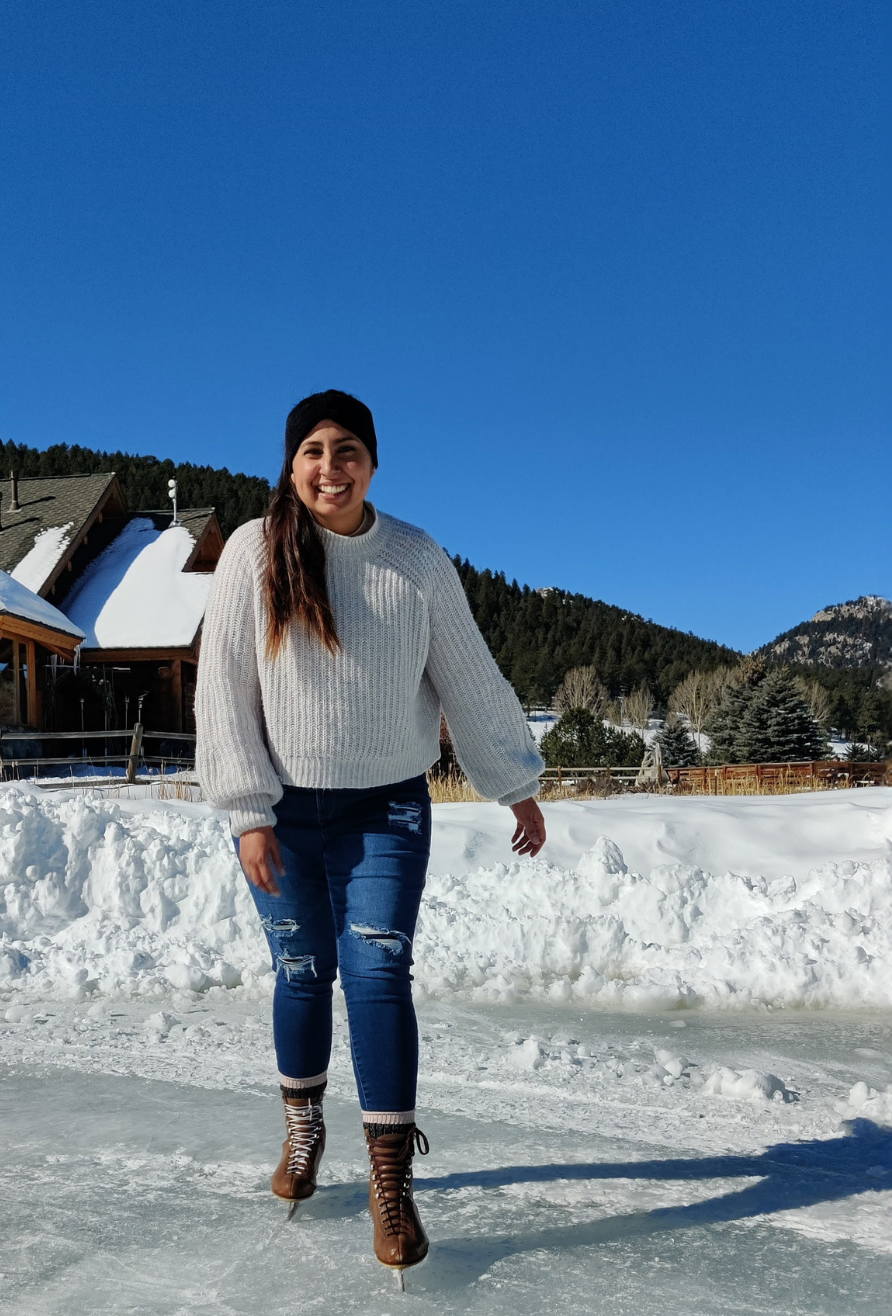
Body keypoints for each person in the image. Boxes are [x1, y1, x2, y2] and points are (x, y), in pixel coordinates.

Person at [197, 388, 547, 1271]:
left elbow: (469, 675)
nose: (329, 465)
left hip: (385, 807)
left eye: (347, 448)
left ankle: (391, 1187)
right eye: (312, 449)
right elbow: (225, 687)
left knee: (379, 972)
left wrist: (516, 784)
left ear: (373, 463)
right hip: (281, 812)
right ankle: (304, 1131)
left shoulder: (415, 560)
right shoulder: (254, 552)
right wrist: (245, 813)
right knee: (304, 973)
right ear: (291, 463)